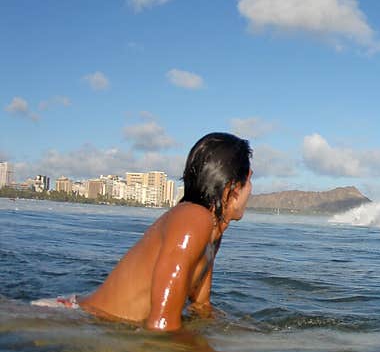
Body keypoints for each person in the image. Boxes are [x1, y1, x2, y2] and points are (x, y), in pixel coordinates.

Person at [78, 132, 253, 331]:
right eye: (249, 180)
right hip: (79, 322)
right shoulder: (194, 220)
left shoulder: (213, 231)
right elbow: (161, 326)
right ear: (234, 186)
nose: (251, 190)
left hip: (97, 323)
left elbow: (201, 308)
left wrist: (252, 335)